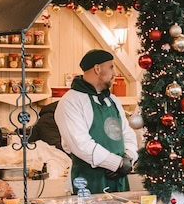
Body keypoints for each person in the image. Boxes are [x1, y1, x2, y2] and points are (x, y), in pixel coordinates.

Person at [57, 49, 137, 193]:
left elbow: (127, 133)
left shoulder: (113, 100)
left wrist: (129, 157)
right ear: (97, 69)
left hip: (119, 178)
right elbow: (80, 144)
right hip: (88, 181)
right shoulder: (70, 102)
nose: (114, 73)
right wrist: (117, 163)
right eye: (111, 67)